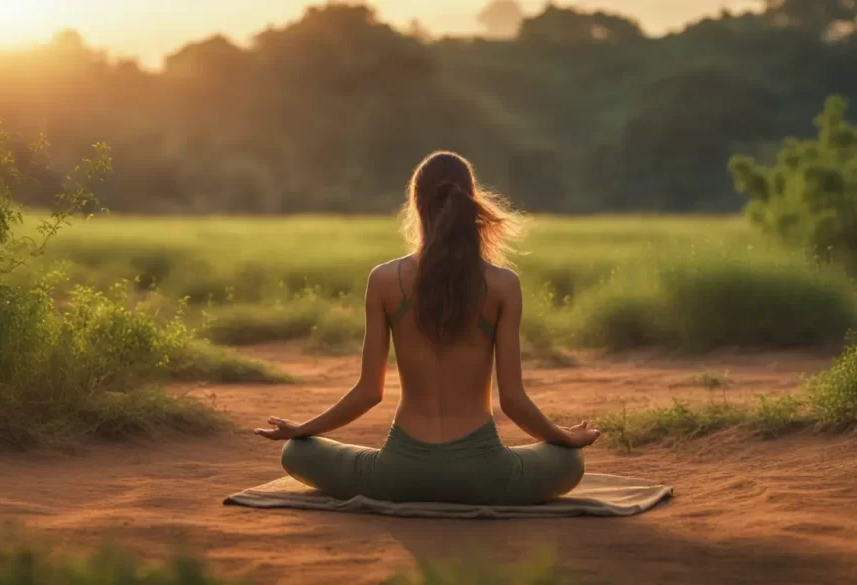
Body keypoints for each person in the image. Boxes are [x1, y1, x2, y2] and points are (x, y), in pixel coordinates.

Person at [254, 151, 600, 505]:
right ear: (471, 202)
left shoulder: (384, 280)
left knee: (296, 453)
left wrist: (301, 430)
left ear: (416, 205)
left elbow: (368, 392)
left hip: (400, 474)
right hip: (483, 475)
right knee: (568, 460)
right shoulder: (503, 285)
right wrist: (562, 437)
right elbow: (512, 400)